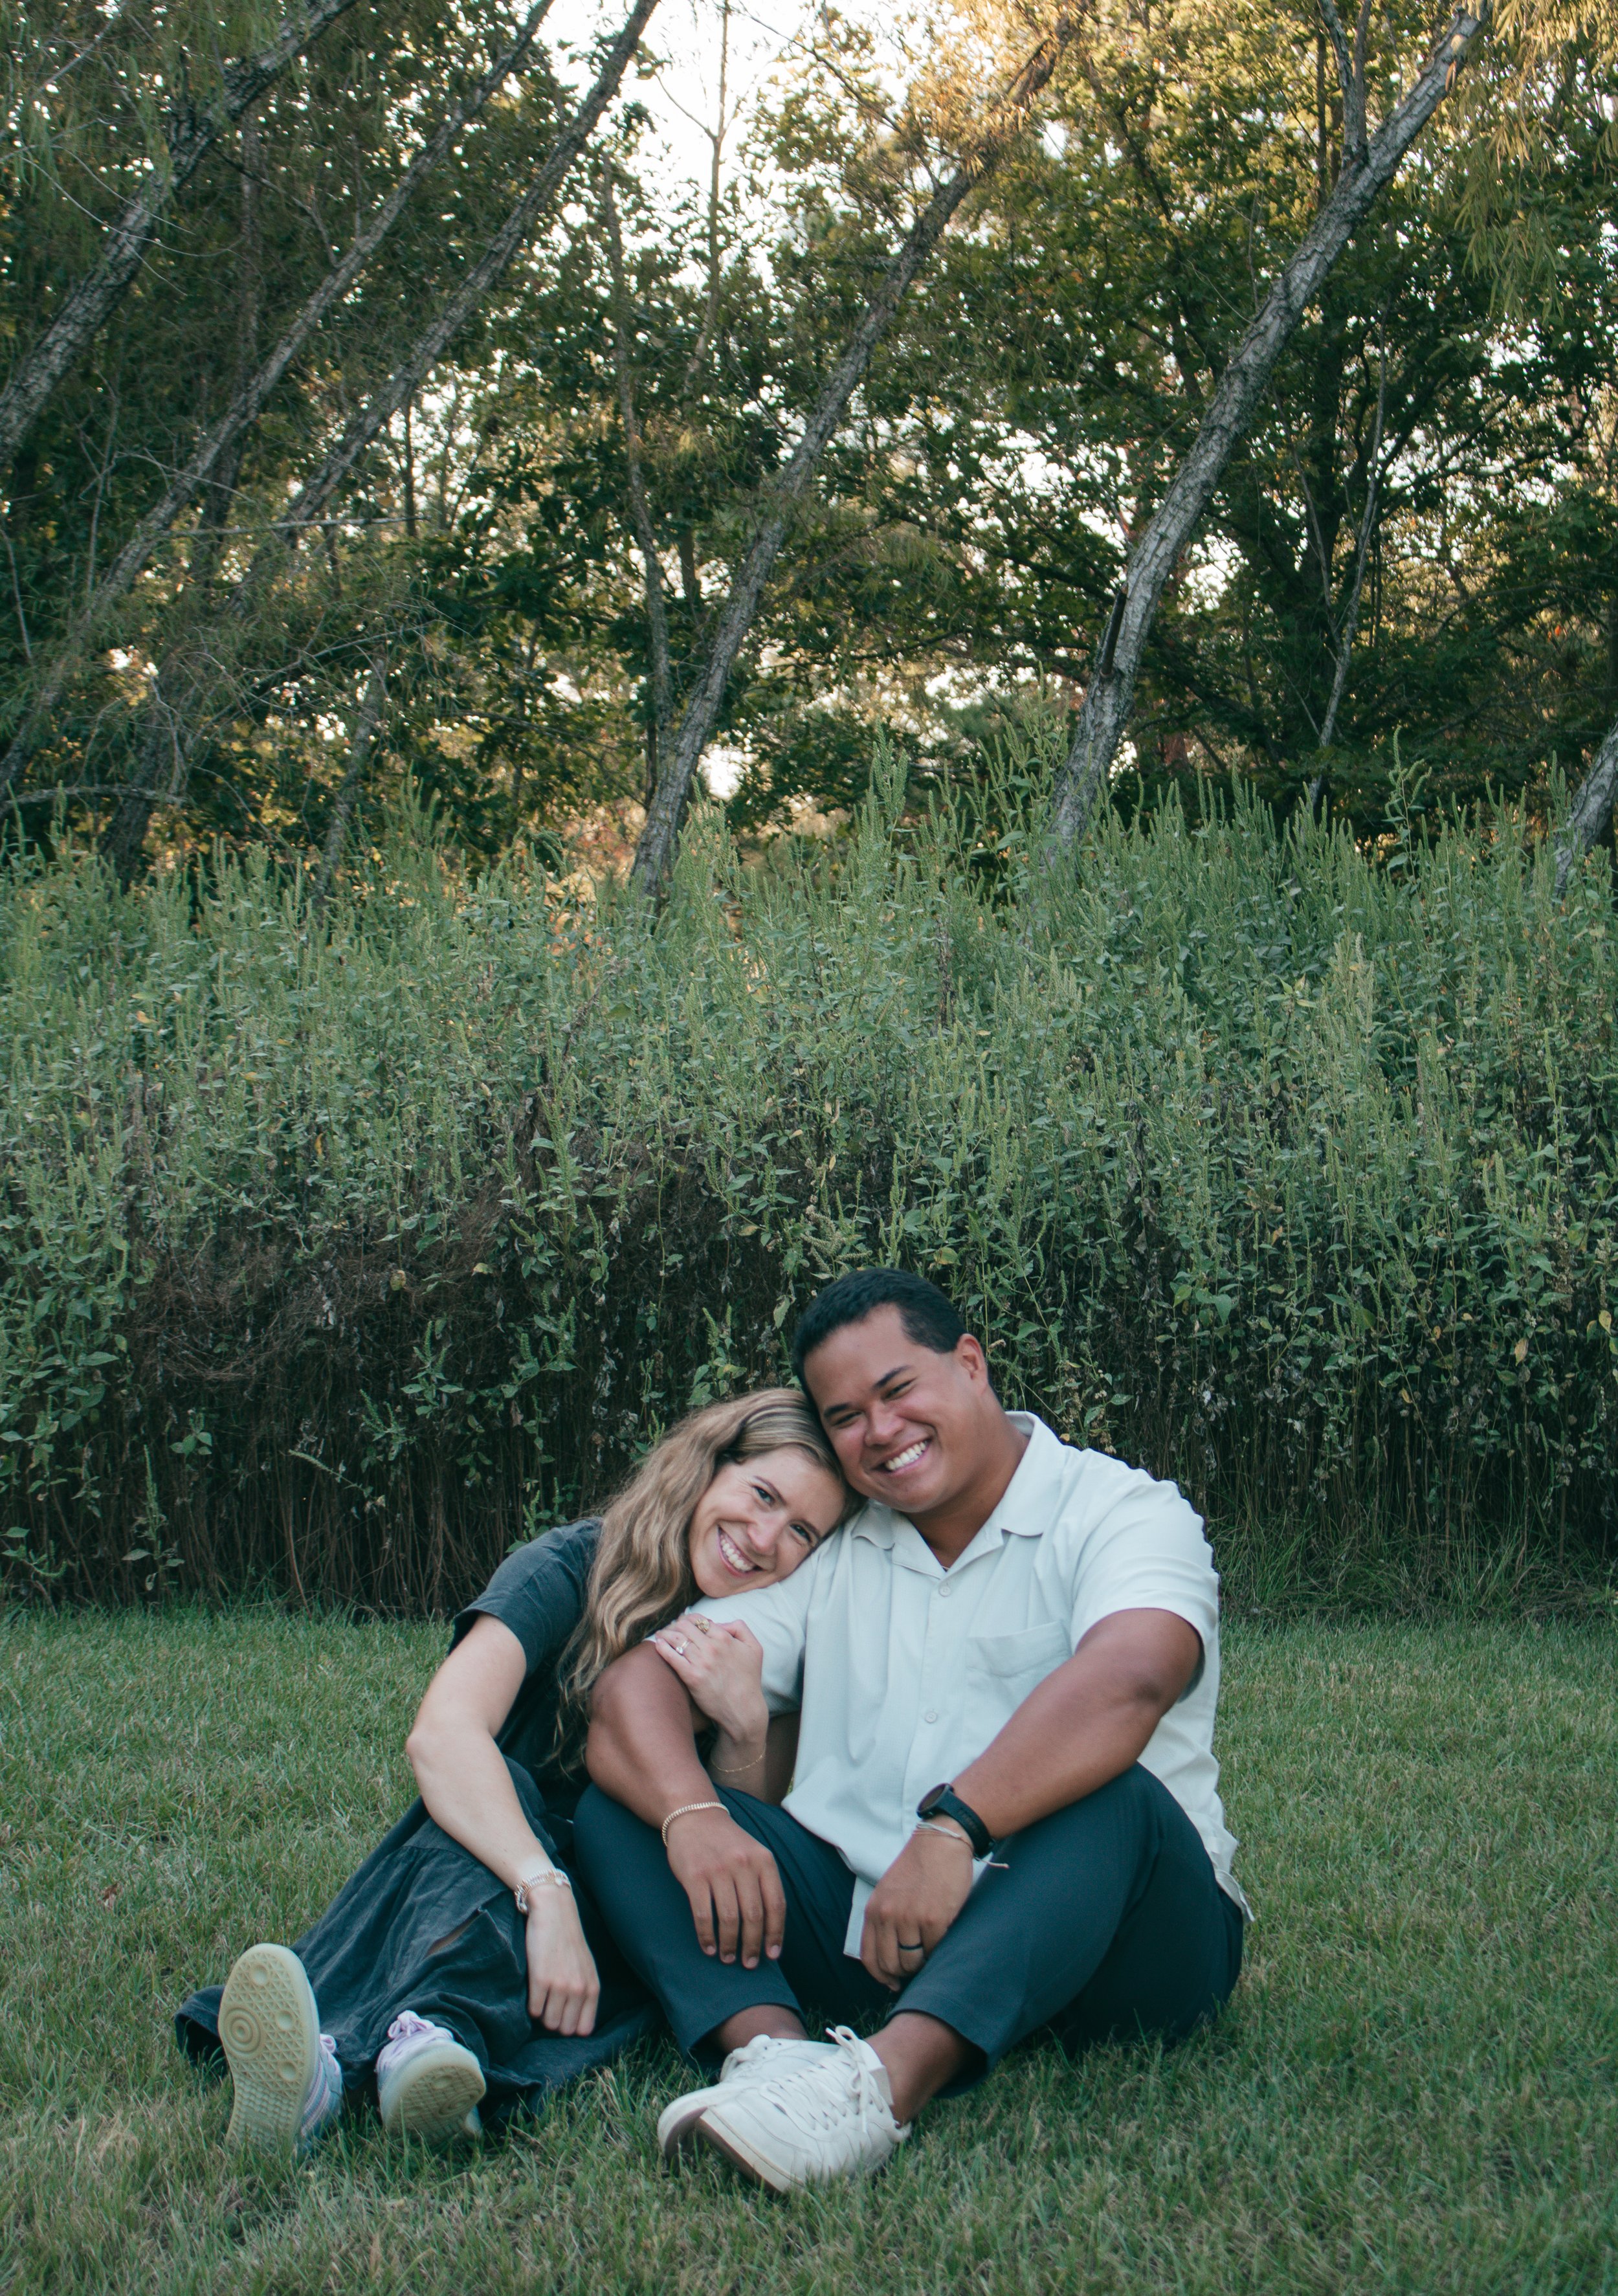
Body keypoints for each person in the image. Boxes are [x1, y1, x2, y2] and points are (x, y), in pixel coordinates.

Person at [575, 1267, 1249, 2192]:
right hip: (872, 1933)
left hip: (1121, 1943)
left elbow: (1132, 1676)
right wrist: (694, 1812)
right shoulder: (839, 1555)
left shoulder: (1123, 1511)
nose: (879, 1430)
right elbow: (634, 1687)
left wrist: (956, 1826)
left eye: (898, 1390)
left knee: (1119, 1796)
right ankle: (779, 2060)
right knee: (631, 1797)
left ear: (970, 1363)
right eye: (846, 1414)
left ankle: (879, 2090)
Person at [175, 1389, 850, 2151]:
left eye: (801, 1531)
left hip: (622, 1900)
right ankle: (417, 2047)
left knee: (574, 1873)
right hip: (486, 1854)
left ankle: (350, 2065)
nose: (764, 1539)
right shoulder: (570, 1566)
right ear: (708, 1465)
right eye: (762, 1494)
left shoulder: (761, 1644)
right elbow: (444, 1734)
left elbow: (731, 1838)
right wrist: (543, 1888)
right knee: (498, 1810)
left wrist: (744, 1727)